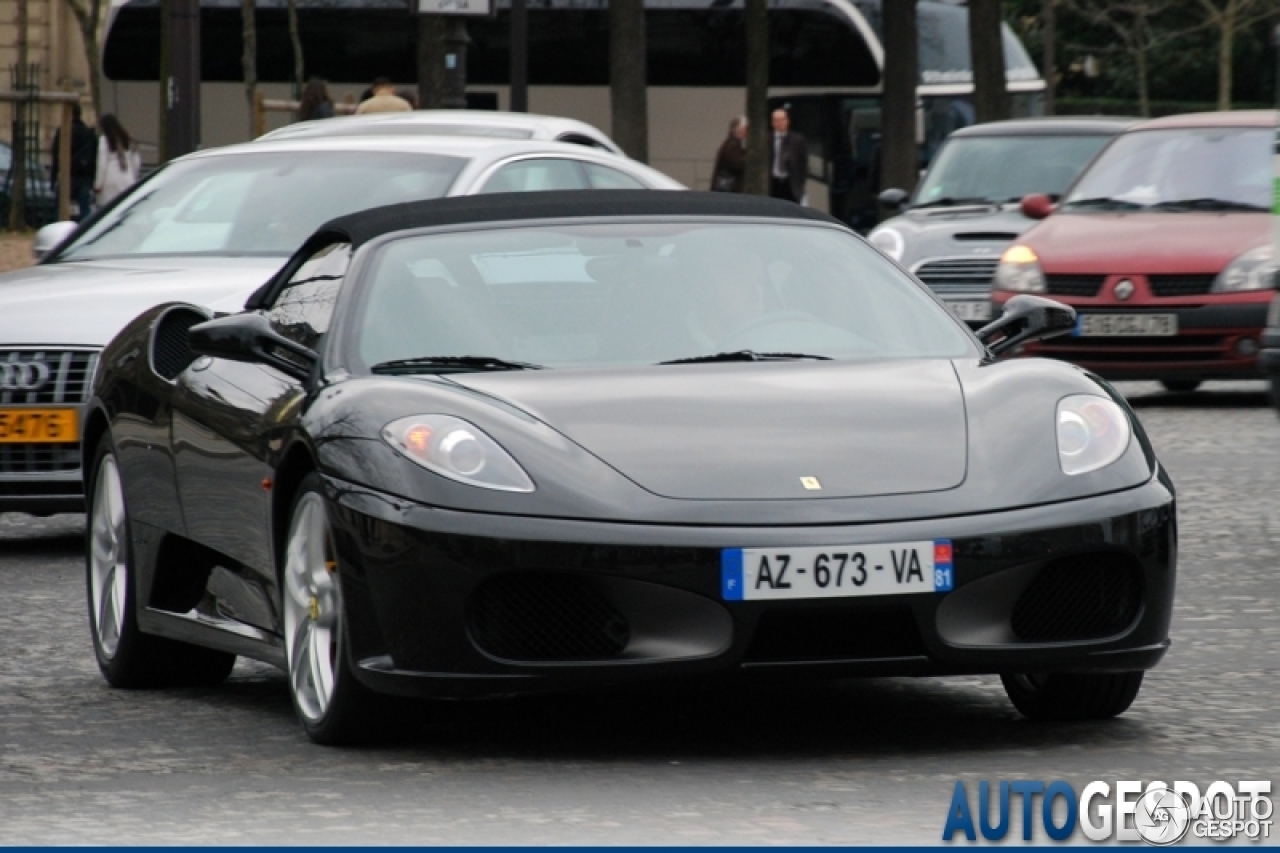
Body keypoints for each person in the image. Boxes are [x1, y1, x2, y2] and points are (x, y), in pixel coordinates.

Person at [686, 249, 770, 350]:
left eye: (760, 281)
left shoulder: (775, 343)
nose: (757, 293)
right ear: (704, 290)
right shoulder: (674, 345)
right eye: (740, 282)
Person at [50, 103, 97, 220]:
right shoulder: (88, 133)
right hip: (83, 176)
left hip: (67, 174)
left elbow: (56, 155)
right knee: (85, 209)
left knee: (60, 209)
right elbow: (94, 157)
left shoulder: (63, 131)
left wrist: (53, 178)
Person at [94, 114, 141, 208]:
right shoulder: (127, 139)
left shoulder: (104, 139)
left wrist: (98, 185)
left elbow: (102, 164)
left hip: (110, 181)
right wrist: (133, 176)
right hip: (128, 178)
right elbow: (136, 161)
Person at [768, 108, 808, 204]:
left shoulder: (798, 141)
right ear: (772, 123)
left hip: (790, 183)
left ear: (787, 121)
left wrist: (800, 183)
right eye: (777, 120)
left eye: (782, 120)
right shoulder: (767, 140)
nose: (780, 123)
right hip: (773, 182)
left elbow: (803, 164)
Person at [711, 116, 747, 192]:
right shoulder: (732, 145)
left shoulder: (730, 143)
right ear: (740, 129)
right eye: (745, 128)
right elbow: (737, 164)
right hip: (730, 187)